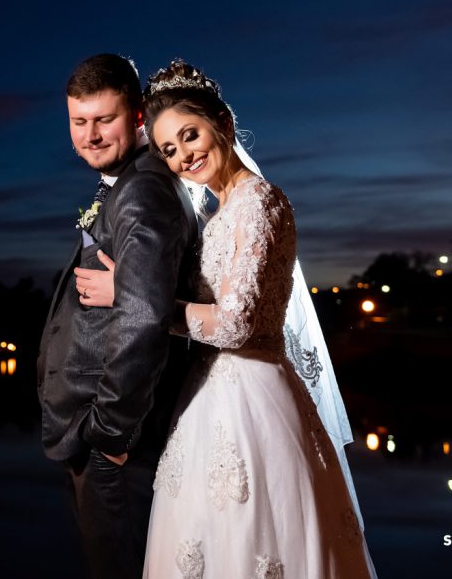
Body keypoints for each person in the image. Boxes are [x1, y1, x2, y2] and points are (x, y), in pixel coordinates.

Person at [76, 60, 378, 578]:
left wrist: (128, 295)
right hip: (210, 400)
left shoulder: (258, 202)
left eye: (189, 136)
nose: (183, 156)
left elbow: (237, 324)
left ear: (223, 123)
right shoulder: (219, 212)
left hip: (252, 403)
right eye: (168, 149)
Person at [37, 54, 201, 579]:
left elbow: (145, 316)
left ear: (136, 117)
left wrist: (110, 435)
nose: (89, 135)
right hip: (94, 428)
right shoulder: (125, 183)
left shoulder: (143, 190)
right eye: (78, 122)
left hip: (109, 436)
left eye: (103, 120)